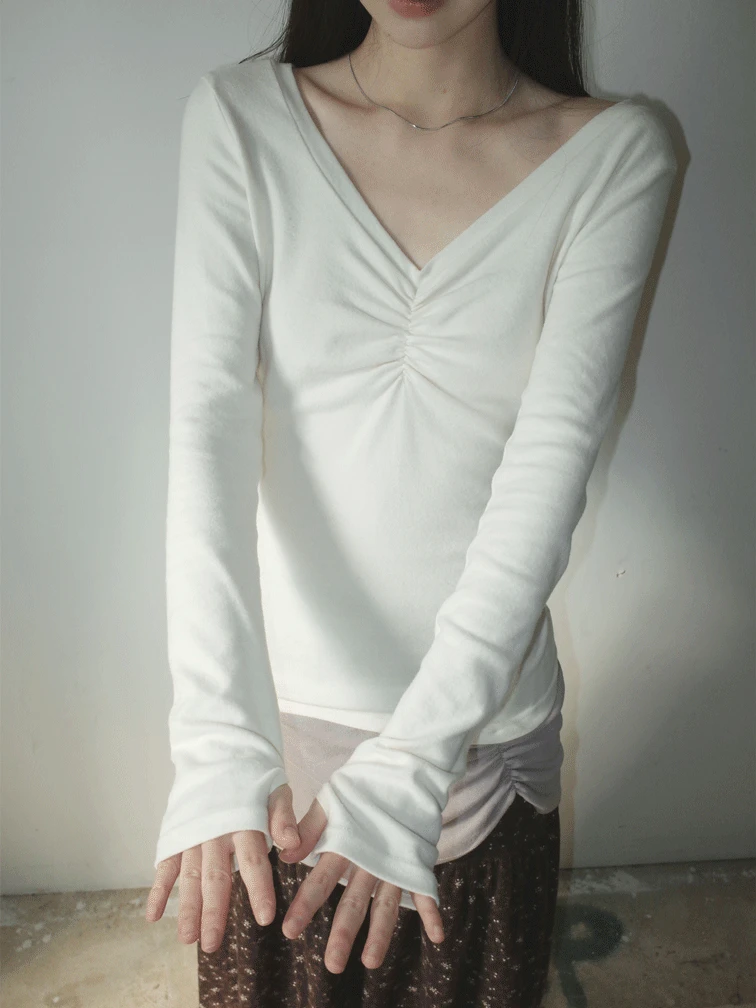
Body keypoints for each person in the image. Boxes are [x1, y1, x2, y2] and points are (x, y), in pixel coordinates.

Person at [145, 0, 677, 1004]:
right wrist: (216, 739)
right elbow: (206, 430)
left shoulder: (614, 154)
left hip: (475, 751)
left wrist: (413, 761)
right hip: (275, 761)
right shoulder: (240, 119)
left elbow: (547, 472)